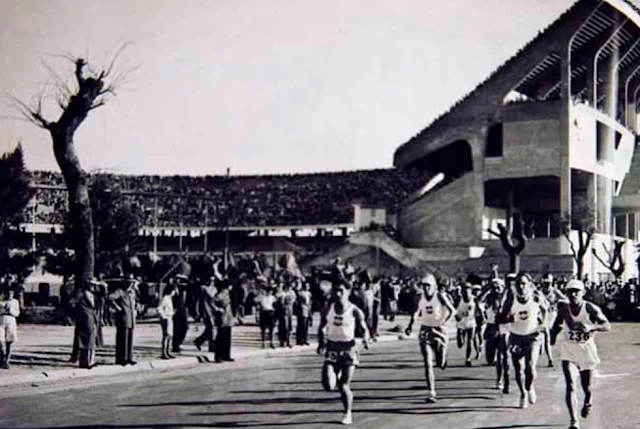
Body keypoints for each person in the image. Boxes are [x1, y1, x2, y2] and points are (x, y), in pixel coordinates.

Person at [551, 279, 611, 429]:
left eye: (576, 291)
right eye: (570, 291)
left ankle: (588, 401)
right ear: (566, 293)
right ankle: (574, 421)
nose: (573, 294)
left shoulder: (590, 308)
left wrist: (590, 327)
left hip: (586, 350)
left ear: (582, 293)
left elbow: (606, 325)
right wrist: (551, 339)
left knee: (587, 387)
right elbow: (556, 325)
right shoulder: (564, 309)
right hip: (569, 350)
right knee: (570, 384)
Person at [317, 281, 370, 425]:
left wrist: (366, 340)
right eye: (336, 291)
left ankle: (347, 413)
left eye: (341, 291)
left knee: (344, 385)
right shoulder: (328, 308)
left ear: (348, 291)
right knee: (328, 386)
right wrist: (321, 342)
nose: (338, 294)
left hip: (349, 349)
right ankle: (335, 372)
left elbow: (364, 328)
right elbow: (321, 326)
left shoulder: (354, 310)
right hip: (332, 348)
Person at [498, 273, 548, 408]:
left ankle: (529, 387)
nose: (520, 286)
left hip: (532, 335)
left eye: (523, 283)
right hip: (515, 336)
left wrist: (543, 323)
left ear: (529, 284)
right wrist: (509, 319)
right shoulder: (511, 298)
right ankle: (523, 394)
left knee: (530, 367)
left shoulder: (536, 296)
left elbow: (545, 309)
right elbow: (500, 318)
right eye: (518, 283)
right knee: (519, 368)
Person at [405, 274, 455, 403]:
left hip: (439, 329)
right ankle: (431, 391)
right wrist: (410, 325)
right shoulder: (419, 298)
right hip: (425, 329)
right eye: (424, 286)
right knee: (427, 363)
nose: (426, 288)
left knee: (440, 363)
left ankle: (442, 357)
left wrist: (444, 322)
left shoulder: (440, 296)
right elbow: (416, 312)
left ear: (434, 287)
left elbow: (452, 311)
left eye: (428, 286)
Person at [107, 276, 139, 366]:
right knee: (122, 339)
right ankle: (122, 358)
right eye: (129, 282)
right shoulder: (120, 291)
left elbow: (135, 302)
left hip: (131, 318)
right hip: (123, 318)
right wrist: (116, 307)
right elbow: (110, 297)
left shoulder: (132, 293)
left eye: (132, 282)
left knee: (130, 339)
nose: (131, 284)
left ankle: (129, 357)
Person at [541, 273, 567, 368]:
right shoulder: (538, 291)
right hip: (540, 315)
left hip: (551, 314)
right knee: (544, 334)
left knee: (547, 333)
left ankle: (550, 358)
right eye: (545, 283)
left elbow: (566, 300)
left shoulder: (554, 291)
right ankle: (549, 356)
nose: (547, 285)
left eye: (549, 283)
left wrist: (559, 301)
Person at [75, 281, 99, 369]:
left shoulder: (92, 295)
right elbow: (72, 302)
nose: (93, 287)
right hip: (85, 319)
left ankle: (90, 361)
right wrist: (80, 312)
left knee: (91, 340)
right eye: (92, 285)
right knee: (86, 340)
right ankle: (86, 362)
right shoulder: (81, 294)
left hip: (92, 319)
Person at [455, 283, 477, 367]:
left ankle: (468, 359)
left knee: (470, 342)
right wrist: (456, 316)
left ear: (471, 290)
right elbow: (453, 309)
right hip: (461, 323)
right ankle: (461, 340)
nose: (466, 291)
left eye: (468, 289)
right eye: (464, 289)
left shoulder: (473, 299)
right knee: (460, 344)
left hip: (471, 323)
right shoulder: (459, 299)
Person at [194, 277, 218, 353]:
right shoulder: (203, 289)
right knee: (211, 326)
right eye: (210, 280)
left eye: (213, 280)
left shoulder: (214, 289)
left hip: (212, 309)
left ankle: (199, 341)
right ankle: (211, 345)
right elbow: (198, 300)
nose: (211, 282)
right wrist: (197, 310)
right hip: (205, 309)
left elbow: (214, 299)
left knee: (210, 328)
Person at [213, 280, 234, 363]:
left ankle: (226, 355)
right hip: (222, 318)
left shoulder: (228, 294)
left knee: (227, 338)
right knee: (221, 338)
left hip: (228, 317)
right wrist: (217, 309)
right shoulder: (221, 294)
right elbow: (212, 301)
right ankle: (218, 356)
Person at [0, 287, 20, 369]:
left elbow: (17, 313)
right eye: (8, 293)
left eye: (11, 293)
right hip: (1, 320)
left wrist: (11, 311)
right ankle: (1, 357)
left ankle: (7, 361)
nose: (9, 295)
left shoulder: (15, 302)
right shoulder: (1, 301)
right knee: (0, 341)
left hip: (11, 320)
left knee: (9, 341)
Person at [158, 284, 177, 359]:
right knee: (166, 335)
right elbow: (159, 308)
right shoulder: (165, 298)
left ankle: (168, 351)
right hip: (166, 318)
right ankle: (164, 352)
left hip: (170, 317)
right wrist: (163, 316)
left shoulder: (169, 299)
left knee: (170, 336)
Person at [257, 284, 277, 349]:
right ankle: (263, 343)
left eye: (270, 291)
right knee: (263, 329)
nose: (269, 292)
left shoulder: (273, 298)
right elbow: (257, 304)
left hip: (270, 313)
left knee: (271, 329)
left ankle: (271, 342)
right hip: (263, 312)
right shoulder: (262, 297)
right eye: (268, 291)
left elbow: (276, 305)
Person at [295, 281, 312, 346]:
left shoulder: (309, 293)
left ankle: (305, 339)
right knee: (301, 325)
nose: (307, 287)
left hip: (308, 309)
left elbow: (310, 302)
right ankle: (299, 340)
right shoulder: (300, 293)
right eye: (306, 286)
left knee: (306, 326)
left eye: (308, 286)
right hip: (302, 310)